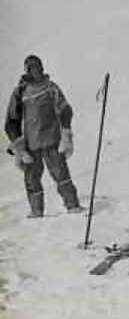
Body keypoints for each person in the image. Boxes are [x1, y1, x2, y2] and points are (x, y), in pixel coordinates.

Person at [4, 55, 83, 218]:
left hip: (52, 141)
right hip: (31, 146)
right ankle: (36, 211)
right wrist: (19, 147)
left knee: (61, 174)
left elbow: (65, 109)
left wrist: (66, 133)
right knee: (32, 180)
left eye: (38, 67)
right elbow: (12, 121)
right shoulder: (21, 91)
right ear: (27, 70)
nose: (36, 70)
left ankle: (72, 205)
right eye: (32, 68)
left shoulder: (50, 87)